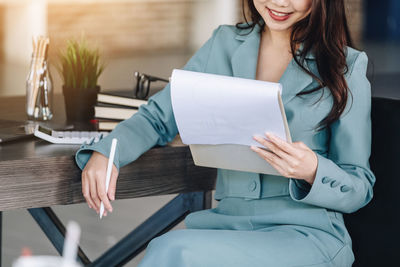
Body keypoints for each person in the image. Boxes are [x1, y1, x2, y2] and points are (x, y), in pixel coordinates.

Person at [75, 0, 376, 266]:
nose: (280, 3)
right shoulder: (224, 43)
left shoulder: (346, 66)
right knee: (173, 249)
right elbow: (159, 117)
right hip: (226, 226)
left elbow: (359, 187)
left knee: (175, 252)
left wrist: (312, 170)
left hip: (305, 235)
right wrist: (107, 153)